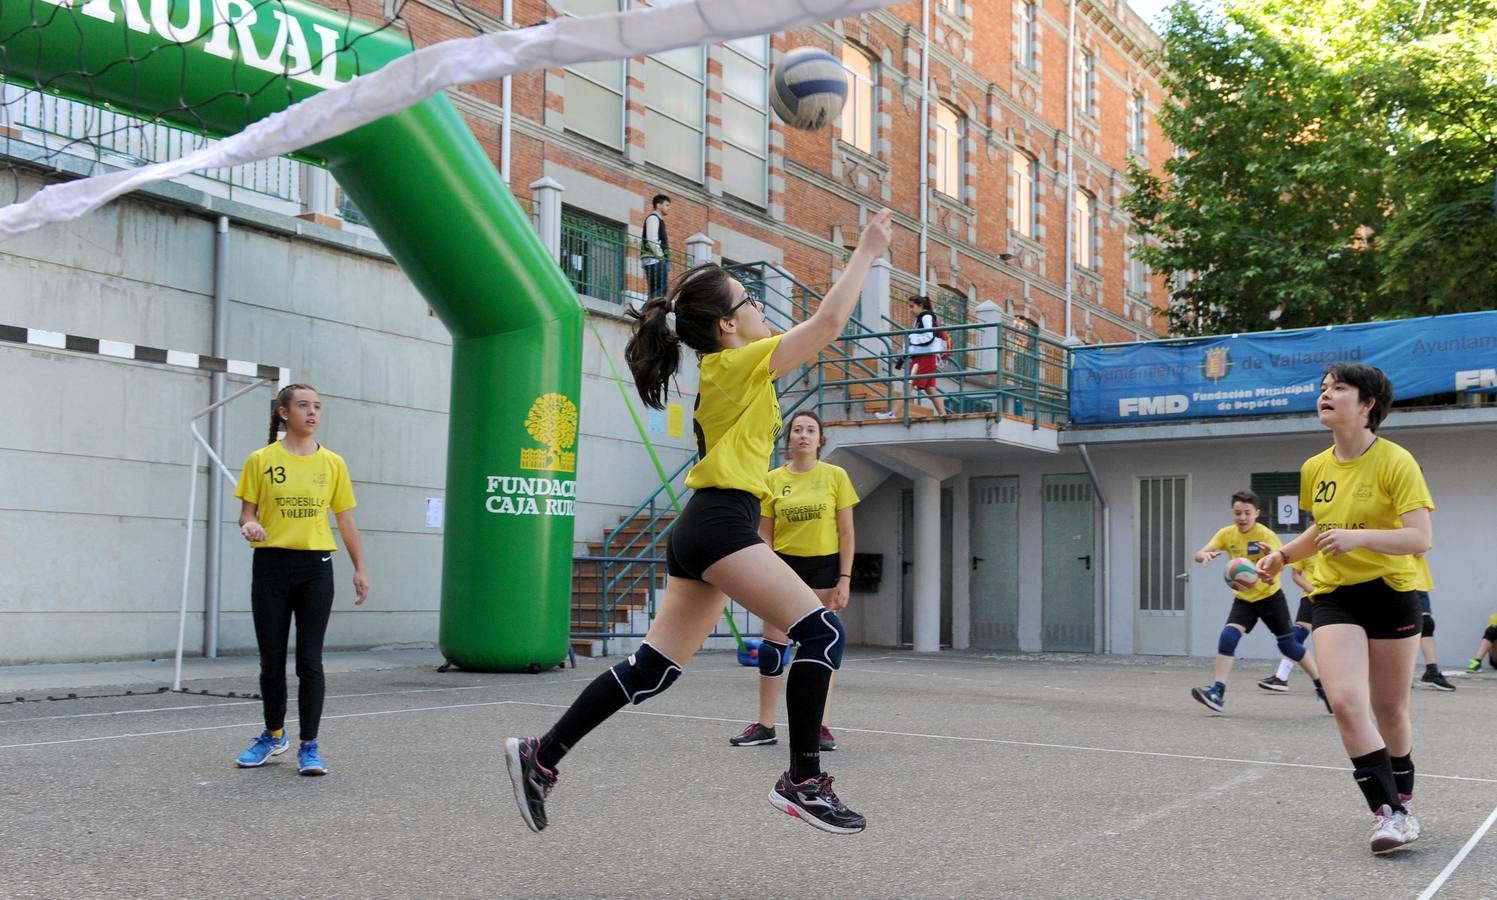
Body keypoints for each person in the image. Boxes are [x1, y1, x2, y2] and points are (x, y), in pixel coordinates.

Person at [504, 208, 895, 836]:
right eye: (750, 300)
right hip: (718, 526)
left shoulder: (736, 371)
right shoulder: (736, 364)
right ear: (727, 324)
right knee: (823, 635)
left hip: (710, 524)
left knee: (653, 669)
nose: (762, 306)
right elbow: (828, 322)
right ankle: (802, 780)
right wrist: (868, 252)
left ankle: (541, 756)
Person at [1257, 362, 1433, 855]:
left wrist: (1359, 537)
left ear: (1367, 403)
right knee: (1347, 700)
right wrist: (1284, 554)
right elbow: (1321, 529)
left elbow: (1420, 536)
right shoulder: (1315, 467)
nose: (1326, 394)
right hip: (1334, 595)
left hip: (1393, 590)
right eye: (1322, 388)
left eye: (1339, 388)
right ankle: (1389, 812)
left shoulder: (1397, 461)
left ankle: (1405, 798)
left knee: (1390, 709)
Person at [233, 383, 369, 776]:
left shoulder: (333, 464)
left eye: (317, 407)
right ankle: (273, 735)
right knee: (271, 661)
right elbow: (247, 514)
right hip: (271, 567)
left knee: (310, 661)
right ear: (283, 412)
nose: (312, 413)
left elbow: (345, 518)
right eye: (304, 406)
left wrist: (359, 567)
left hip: (315, 568)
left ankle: (310, 745)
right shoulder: (260, 460)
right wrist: (251, 525)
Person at [729, 410, 859, 752]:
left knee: (820, 646)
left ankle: (820, 726)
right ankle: (766, 725)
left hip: (825, 569)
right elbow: (765, 534)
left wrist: (844, 578)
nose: (803, 434)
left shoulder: (836, 476)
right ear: (788, 439)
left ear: (821, 439)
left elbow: (846, 533)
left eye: (811, 430)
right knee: (773, 647)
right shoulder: (772, 480)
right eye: (797, 429)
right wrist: (765, 572)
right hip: (784, 567)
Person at [1189, 490, 1328, 715]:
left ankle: (1322, 686)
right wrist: (1203, 556)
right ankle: (1217, 691)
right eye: (1237, 513)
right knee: (1228, 636)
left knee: (1288, 645)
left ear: (1257, 513)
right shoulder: (1227, 534)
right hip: (1244, 599)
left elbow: (1280, 564)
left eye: (1247, 513)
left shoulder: (1266, 535)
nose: (1242, 517)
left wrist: (1270, 565)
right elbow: (1200, 552)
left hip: (1271, 598)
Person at [1256, 555, 1321, 696]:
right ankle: (1281, 678)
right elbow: (1296, 575)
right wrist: (1314, 591)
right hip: (1311, 596)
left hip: (1335, 597)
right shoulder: (1306, 547)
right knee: (1297, 635)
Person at [892, 295, 946, 418]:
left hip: (923, 358)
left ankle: (893, 413)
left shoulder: (926, 317)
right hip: (926, 357)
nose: (910, 309)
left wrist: (912, 340)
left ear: (920, 306)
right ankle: (943, 414)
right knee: (930, 388)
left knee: (908, 385)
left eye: (912, 306)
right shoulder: (920, 319)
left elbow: (929, 335)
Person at [1411, 554, 1455, 691]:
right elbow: (1419, 547)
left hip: (1416, 578)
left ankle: (1431, 672)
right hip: (1400, 578)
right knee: (1407, 627)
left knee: (1425, 625)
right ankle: (1403, 675)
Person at [641, 193, 672, 299]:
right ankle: (646, 309)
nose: (669, 208)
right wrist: (662, 257)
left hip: (655, 259)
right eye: (667, 205)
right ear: (658, 205)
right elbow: (652, 239)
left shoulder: (658, 220)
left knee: (656, 290)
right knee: (662, 289)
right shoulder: (653, 218)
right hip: (654, 260)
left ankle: (647, 311)